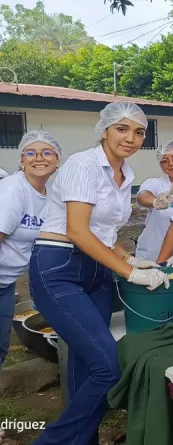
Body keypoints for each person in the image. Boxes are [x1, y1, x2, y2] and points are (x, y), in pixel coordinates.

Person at [29, 102, 170, 445]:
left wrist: (130, 258)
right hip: (60, 266)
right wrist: (129, 273)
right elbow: (77, 230)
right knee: (109, 366)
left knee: (86, 365)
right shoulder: (83, 164)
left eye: (139, 132)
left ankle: (83, 441)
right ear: (104, 130)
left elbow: (104, 231)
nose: (131, 138)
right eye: (122, 129)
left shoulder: (126, 174)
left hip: (96, 270)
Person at [0, 131, 61, 371]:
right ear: (21, 160)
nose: (39, 158)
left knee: (1, 347)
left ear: (57, 160)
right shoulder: (14, 190)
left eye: (47, 152)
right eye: (31, 153)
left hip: (5, 283)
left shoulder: (50, 195)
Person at [134, 140, 173, 262]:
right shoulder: (157, 184)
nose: (171, 164)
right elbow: (143, 196)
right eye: (164, 161)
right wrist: (155, 202)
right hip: (150, 255)